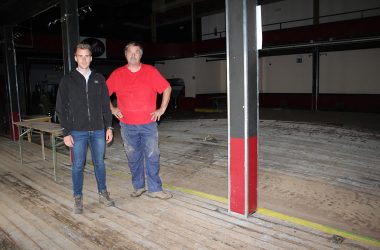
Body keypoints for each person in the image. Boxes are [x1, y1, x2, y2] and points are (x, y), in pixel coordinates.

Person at [107, 41, 172, 199]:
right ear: (125, 55)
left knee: (152, 155)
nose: (133, 55)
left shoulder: (150, 71)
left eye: (136, 52)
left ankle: (155, 189)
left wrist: (162, 109)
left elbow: (166, 88)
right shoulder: (117, 74)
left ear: (141, 55)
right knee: (133, 157)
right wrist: (112, 109)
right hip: (127, 125)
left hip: (148, 124)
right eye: (130, 52)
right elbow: (102, 93)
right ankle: (139, 187)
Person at [55, 43, 115, 214]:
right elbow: (61, 108)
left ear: (91, 57)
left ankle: (103, 193)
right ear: (75, 58)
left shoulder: (99, 78)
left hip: (98, 130)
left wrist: (109, 127)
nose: (84, 59)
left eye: (87, 56)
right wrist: (66, 132)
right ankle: (78, 198)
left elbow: (105, 105)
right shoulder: (67, 80)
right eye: (80, 56)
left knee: (99, 164)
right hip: (77, 131)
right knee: (77, 166)